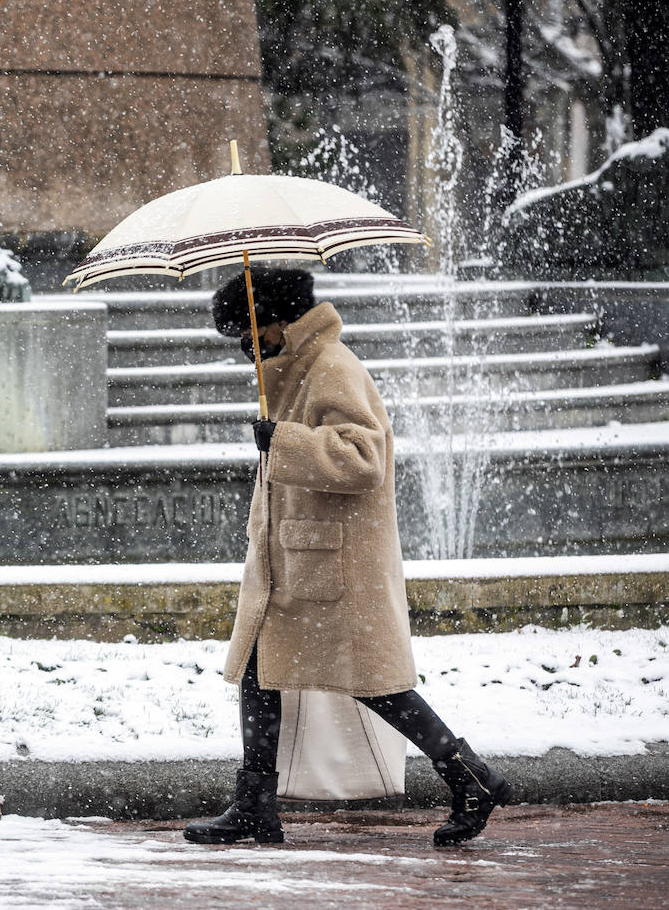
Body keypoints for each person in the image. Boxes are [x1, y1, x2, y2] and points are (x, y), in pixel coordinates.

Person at [184, 267, 514, 848]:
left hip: (336, 568)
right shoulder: (295, 369)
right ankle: (255, 804)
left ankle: (470, 777)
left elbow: (365, 459)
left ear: (277, 323)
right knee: (260, 674)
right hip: (299, 563)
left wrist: (283, 442)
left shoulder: (332, 366)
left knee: (374, 681)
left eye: (247, 336)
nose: (244, 350)